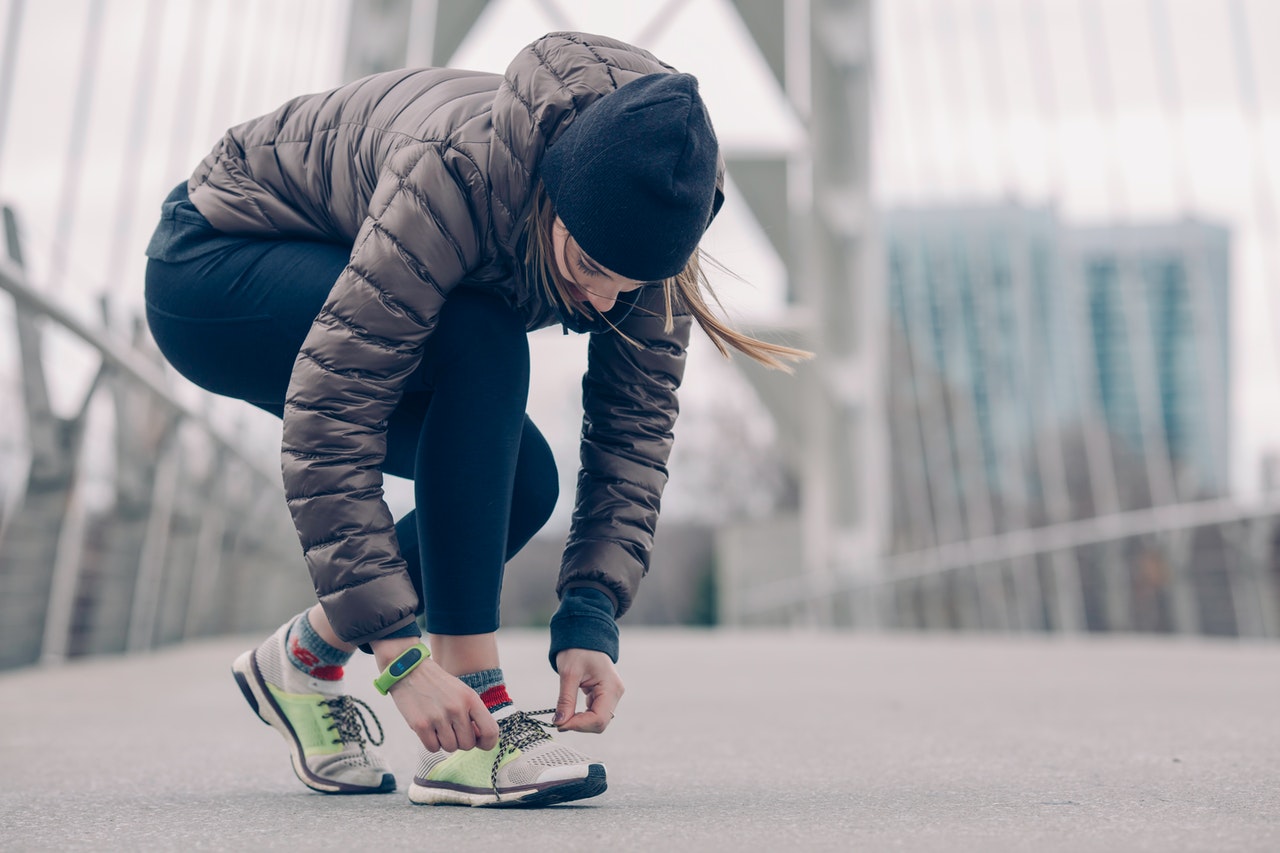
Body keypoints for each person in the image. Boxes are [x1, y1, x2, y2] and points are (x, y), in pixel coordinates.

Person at [143, 31, 806, 807]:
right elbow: (333, 416)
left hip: (341, 282)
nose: (602, 301)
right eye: (589, 267)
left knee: (520, 482)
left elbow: (633, 433)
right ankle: (476, 706)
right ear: (554, 198)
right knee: (480, 334)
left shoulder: (655, 218)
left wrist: (590, 615)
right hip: (215, 263)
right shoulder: (455, 175)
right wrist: (398, 655)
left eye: (629, 284)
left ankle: (302, 656)